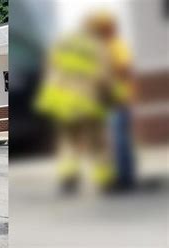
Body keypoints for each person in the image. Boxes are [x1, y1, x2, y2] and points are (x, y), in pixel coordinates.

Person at [34, 12, 116, 192]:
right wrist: (112, 96)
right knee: (97, 142)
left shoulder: (63, 44)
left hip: (61, 101)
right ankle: (104, 180)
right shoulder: (98, 47)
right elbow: (104, 76)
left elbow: (49, 71)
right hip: (87, 100)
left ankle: (68, 176)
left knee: (68, 140)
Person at [93, 11, 136, 189]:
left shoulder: (117, 45)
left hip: (119, 99)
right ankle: (122, 176)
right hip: (109, 100)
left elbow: (124, 68)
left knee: (120, 140)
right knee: (115, 141)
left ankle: (126, 179)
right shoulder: (105, 48)